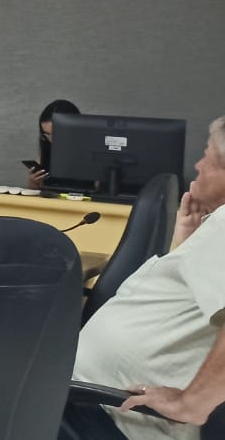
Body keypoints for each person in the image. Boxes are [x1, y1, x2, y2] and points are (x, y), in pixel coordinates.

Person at [63, 116, 225, 440]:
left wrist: (192, 403)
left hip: (108, 416)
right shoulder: (215, 229)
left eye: (206, 155)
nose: (197, 165)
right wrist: (188, 244)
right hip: (100, 405)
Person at [29, 99, 81, 189]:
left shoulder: (91, 155)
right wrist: (34, 182)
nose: (51, 140)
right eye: (47, 134)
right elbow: (35, 195)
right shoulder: (45, 152)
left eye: (56, 134)